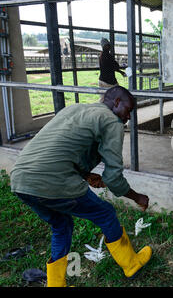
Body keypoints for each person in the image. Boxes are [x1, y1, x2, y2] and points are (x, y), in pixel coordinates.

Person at [10, 86, 151, 287]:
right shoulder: (112, 121)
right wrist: (137, 197)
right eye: (128, 110)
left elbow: (61, 147)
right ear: (116, 102)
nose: (128, 117)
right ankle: (131, 265)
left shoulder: (74, 109)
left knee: (61, 224)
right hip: (53, 181)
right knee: (106, 214)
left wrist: (85, 174)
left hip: (20, 181)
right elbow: (113, 178)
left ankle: (56, 284)